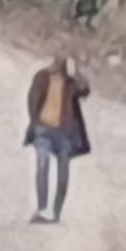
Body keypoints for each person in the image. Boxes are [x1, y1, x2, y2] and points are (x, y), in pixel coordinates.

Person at [24, 54, 91, 223]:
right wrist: (35, 122)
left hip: (65, 132)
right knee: (42, 166)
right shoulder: (42, 76)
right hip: (44, 130)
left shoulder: (71, 82)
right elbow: (32, 100)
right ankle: (42, 210)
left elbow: (85, 91)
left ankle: (56, 213)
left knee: (62, 171)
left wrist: (77, 71)